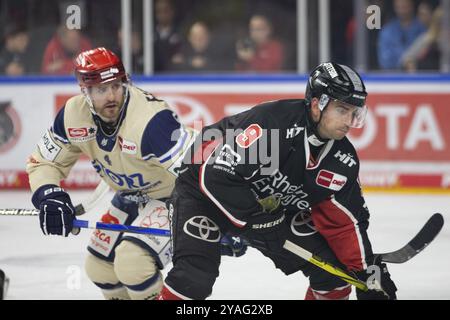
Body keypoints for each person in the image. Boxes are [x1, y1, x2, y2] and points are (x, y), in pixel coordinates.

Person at [158, 62, 398, 300]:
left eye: (354, 112)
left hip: (268, 212)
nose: (349, 120)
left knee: (334, 274)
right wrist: (256, 220)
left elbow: (346, 224)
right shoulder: (275, 127)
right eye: (342, 110)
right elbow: (216, 176)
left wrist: (366, 270)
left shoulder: (341, 161)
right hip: (202, 194)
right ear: (317, 105)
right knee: (193, 279)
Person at [26, 47, 199, 300]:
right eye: (100, 90)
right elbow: (43, 163)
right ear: (84, 90)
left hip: (173, 198)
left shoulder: (152, 121)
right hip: (128, 198)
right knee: (99, 268)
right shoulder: (72, 116)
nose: (111, 96)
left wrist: (219, 216)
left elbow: (198, 172)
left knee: (133, 264)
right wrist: (49, 195)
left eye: (116, 86)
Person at [377, 0, 426, 70]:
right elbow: (385, 61)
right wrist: (404, 63)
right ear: (394, 7)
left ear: (411, 6)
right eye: (399, 7)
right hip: (393, 76)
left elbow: (426, 55)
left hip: (420, 74)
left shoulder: (422, 28)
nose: (402, 10)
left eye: (405, 6)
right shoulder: (387, 30)